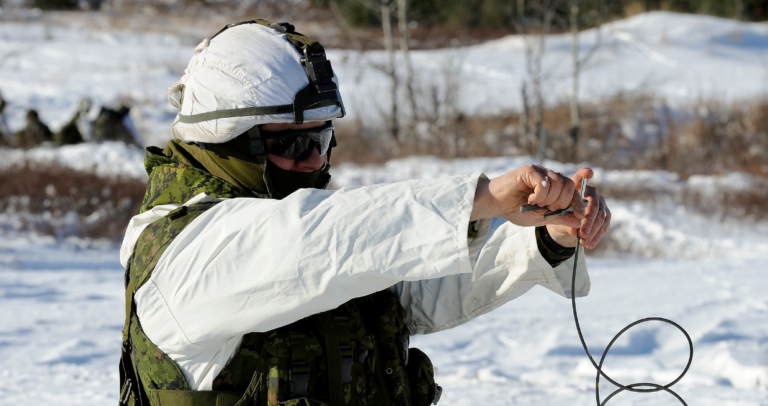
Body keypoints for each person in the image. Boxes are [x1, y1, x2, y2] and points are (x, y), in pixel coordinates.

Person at [118, 20, 612, 406]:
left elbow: (408, 290)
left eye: (323, 139)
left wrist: (547, 239)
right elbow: (308, 243)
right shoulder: (184, 253)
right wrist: (480, 196)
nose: (315, 160)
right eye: (292, 142)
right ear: (224, 144)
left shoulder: (320, 239)